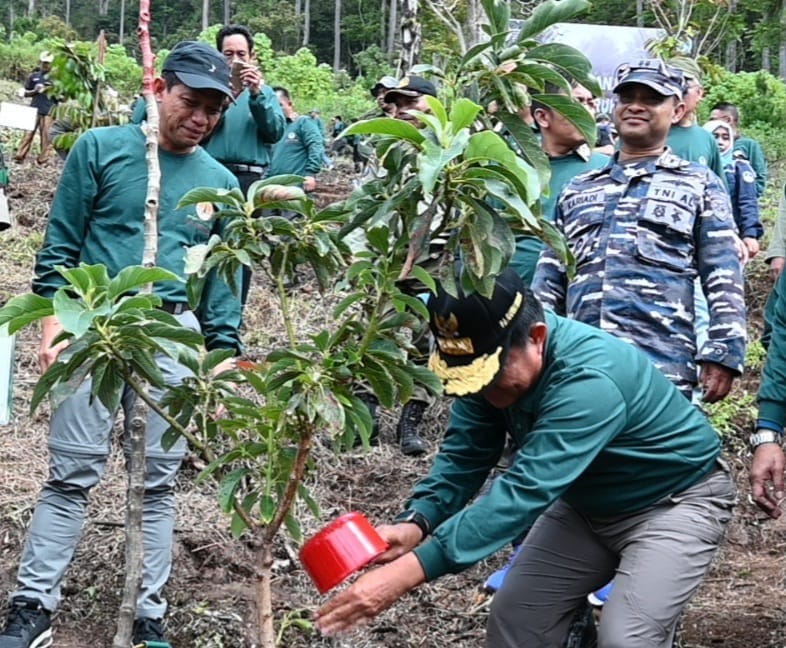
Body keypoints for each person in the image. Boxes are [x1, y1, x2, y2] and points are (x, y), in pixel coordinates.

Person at [314, 268, 736, 647]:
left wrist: (405, 574)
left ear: (536, 337)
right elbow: (465, 455)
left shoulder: (590, 381)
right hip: (587, 506)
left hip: (674, 503)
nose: (487, 392)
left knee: (627, 638)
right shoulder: (484, 371)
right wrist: (418, 521)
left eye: (493, 377)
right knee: (518, 618)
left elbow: (525, 490)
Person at [0, 41, 242, 648]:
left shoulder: (218, 182)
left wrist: (220, 359)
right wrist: (53, 327)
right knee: (71, 473)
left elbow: (220, 286)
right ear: (159, 89)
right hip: (96, 325)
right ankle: (33, 607)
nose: (202, 118)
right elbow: (60, 246)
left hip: (172, 337)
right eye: (191, 102)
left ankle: (147, 613)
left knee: (158, 481)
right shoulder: (101, 148)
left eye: (214, 109)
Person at [532, 58, 746, 401]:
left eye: (651, 98)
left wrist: (724, 350)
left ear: (676, 111)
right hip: (580, 367)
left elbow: (723, 273)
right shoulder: (578, 189)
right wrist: (535, 348)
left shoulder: (699, 184)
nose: (635, 106)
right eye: (626, 97)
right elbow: (549, 278)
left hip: (662, 370)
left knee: (660, 455)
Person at [510, 80, 609, 285]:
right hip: (517, 302)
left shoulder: (607, 169)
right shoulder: (510, 169)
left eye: (591, 103)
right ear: (543, 117)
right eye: (577, 103)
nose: (587, 112)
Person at [204, 24, 285, 195]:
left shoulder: (266, 93)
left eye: (241, 54)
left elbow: (275, 133)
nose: (235, 60)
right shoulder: (208, 91)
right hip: (212, 172)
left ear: (251, 57)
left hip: (250, 177)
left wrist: (256, 95)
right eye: (228, 54)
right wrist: (222, 103)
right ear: (218, 56)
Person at [703, 119, 763, 259]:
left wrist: (749, 234)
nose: (720, 142)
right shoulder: (694, 166)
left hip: (730, 235)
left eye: (725, 137)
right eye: (715, 136)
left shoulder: (738, 168)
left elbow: (748, 202)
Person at [665, 56, 726, 184]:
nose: (677, 92)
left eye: (684, 86)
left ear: (699, 93)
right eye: (670, 85)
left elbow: (719, 193)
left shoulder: (705, 139)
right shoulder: (643, 133)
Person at [268, 86, 325, 194]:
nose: (277, 110)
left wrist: (310, 173)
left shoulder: (303, 123)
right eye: (273, 106)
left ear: (289, 104)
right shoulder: (274, 129)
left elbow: (316, 146)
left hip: (295, 188)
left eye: (280, 105)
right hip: (273, 188)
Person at [710, 101, 767, 196]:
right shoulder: (711, 143)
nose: (710, 123)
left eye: (713, 119)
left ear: (728, 120)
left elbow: (760, 177)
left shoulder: (748, 145)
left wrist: (748, 197)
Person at [14, 51, 56, 165]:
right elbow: (24, 92)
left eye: (48, 63)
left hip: (49, 110)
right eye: (44, 63)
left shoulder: (56, 78)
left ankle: (43, 159)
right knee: (28, 133)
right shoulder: (34, 76)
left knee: (46, 136)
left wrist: (50, 90)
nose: (45, 65)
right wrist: (35, 91)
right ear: (40, 62)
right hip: (34, 109)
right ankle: (19, 156)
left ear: (51, 64)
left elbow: (63, 97)